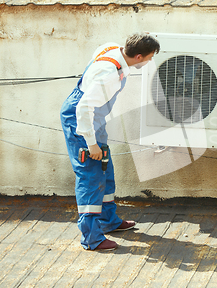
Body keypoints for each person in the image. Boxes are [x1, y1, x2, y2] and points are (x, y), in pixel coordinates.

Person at [60, 33, 160, 251]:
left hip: (95, 118)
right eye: (150, 57)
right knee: (91, 175)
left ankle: (108, 221)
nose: (151, 61)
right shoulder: (108, 74)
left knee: (105, 170)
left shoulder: (112, 49)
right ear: (139, 56)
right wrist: (91, 144)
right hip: (81, 119)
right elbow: (83, 108)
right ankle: (92, 238)